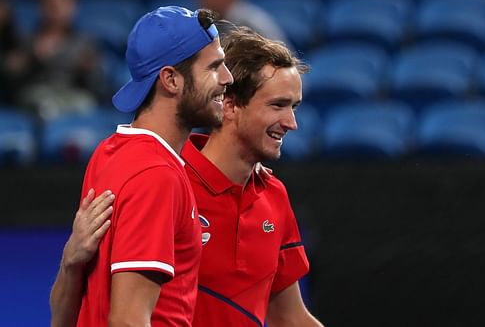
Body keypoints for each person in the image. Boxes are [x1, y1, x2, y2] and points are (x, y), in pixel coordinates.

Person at [51, 26, 323, 326]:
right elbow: (119, 315)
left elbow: (290, 318)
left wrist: (70, 264)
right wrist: (70, 264)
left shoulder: (274, 194)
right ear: (229, 104)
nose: (292, 123)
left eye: (294, 107)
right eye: (278, 105)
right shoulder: (163, 179)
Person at [49, 5, 233, 327]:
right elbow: (128, 320)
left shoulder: (108, 153)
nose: (227, 78)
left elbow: (64, 318)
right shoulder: (157, 175)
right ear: (171, 80)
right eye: (214, 67)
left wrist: (69, 263)